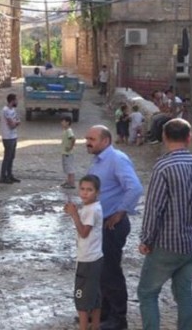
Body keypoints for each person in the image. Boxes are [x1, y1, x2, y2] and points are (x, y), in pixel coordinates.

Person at [137, 118, 192, 330]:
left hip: (166, 244)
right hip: (191, 242)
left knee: (147, 292)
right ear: (189, 137)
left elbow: (153, 208)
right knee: (184, 293)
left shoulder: (163, 167)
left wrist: (146, 239)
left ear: (165, 138)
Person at [85, 125, 143, 330]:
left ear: (105, 141)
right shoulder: (99, 160)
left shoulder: (117, 159)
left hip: (111, 225)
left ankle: (119, 319)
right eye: (87, 138)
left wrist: (120, 212)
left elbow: (135, 188)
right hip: (99, 224)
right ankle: (104, 314)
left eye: (92, 138)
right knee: (100, 272)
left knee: (110, 272)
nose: (88, 142)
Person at [64, 175, 104, 330]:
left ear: (97, 192)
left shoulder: (91, 210)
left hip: (87, 259)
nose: (85, 193)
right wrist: (74, 212)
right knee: (94, 295)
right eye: (82, 189)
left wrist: (74, 214)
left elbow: (84, 232)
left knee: (81, 299)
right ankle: (95, 326)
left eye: (89, 190)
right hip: (96, 257)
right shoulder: (93, 208)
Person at [0, 93, 21, 184]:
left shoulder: (13, 110)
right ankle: (3, 176)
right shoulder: (6, 111)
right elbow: (12, 125)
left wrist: (15, 122)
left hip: (13, 136)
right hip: (7, 137)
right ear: (12, 101)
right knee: (7, 157)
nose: (17, 102)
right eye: (16, 100)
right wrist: (16, 123)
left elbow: (17, 120)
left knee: (11, 157)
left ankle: (9, 175)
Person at [60, 116, 77, 189]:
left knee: (70, 168)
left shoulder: (69, 131)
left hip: (68, 153)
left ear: (67, 122)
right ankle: (68, 181)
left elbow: (73, 138)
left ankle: (72, 183)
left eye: (63, 121)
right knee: (67, 168)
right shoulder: (66, 130)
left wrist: (70, 147)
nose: (61, 123)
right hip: (65, 152)